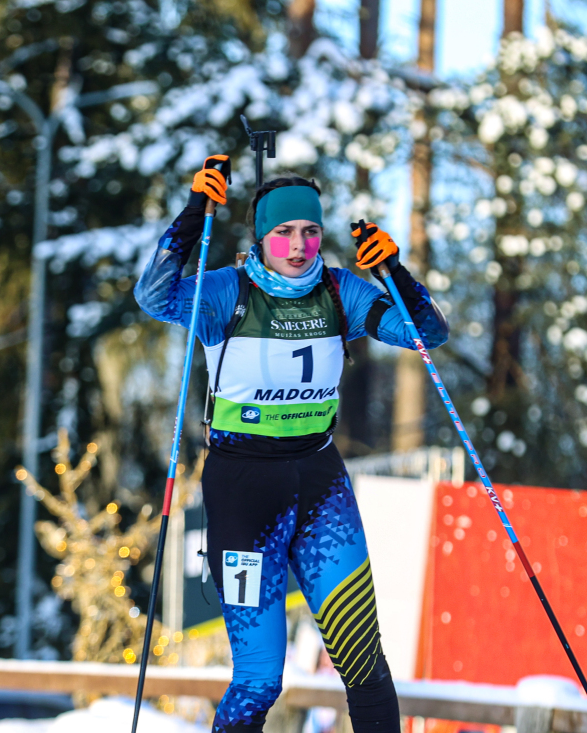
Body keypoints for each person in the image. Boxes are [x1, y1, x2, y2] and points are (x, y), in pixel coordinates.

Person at [134, 156, 448, 733]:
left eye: (309, 231)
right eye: (283, 232)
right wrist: (193, 213)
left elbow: (427, 334)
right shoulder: (226, 291)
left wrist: (395, 272)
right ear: (261, 237)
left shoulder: (340, 291)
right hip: (244, 490)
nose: (299, 245)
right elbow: (154, 297)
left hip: (319, 483)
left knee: (364, 661)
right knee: (259, 678)